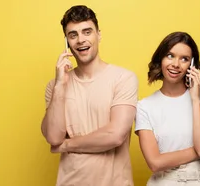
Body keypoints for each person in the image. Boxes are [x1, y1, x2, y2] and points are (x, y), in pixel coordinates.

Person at [41, 5, 138, 186]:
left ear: (98, 35)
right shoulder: (55, 86)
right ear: (67, 42)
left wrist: (67, 145)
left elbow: (115, 134)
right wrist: (60, 85)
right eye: (73, 35)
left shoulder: (123, 78)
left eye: (87, 32)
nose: (81, 40)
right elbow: (54, 138)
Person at [135, 31, 200, 186]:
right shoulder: (144, 106)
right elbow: (155, 163)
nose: (176, 64)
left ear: (192, 65)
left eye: (184, 59)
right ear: (161, 58)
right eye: (170, 55)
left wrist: (195, 99)